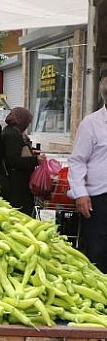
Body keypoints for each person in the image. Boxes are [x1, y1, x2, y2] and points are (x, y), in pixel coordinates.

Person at [68, 72, 107, 272]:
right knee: (98, 250)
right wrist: (80, 193)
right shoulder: (91, 123)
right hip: (99, 198)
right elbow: (77, 161)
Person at [0, 107, 45, 215]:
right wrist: (35, 160)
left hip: (16, 181)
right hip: (16, 184)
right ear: (21, 120)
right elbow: (13, 160)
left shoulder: (12, 132)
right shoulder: (12, 135)